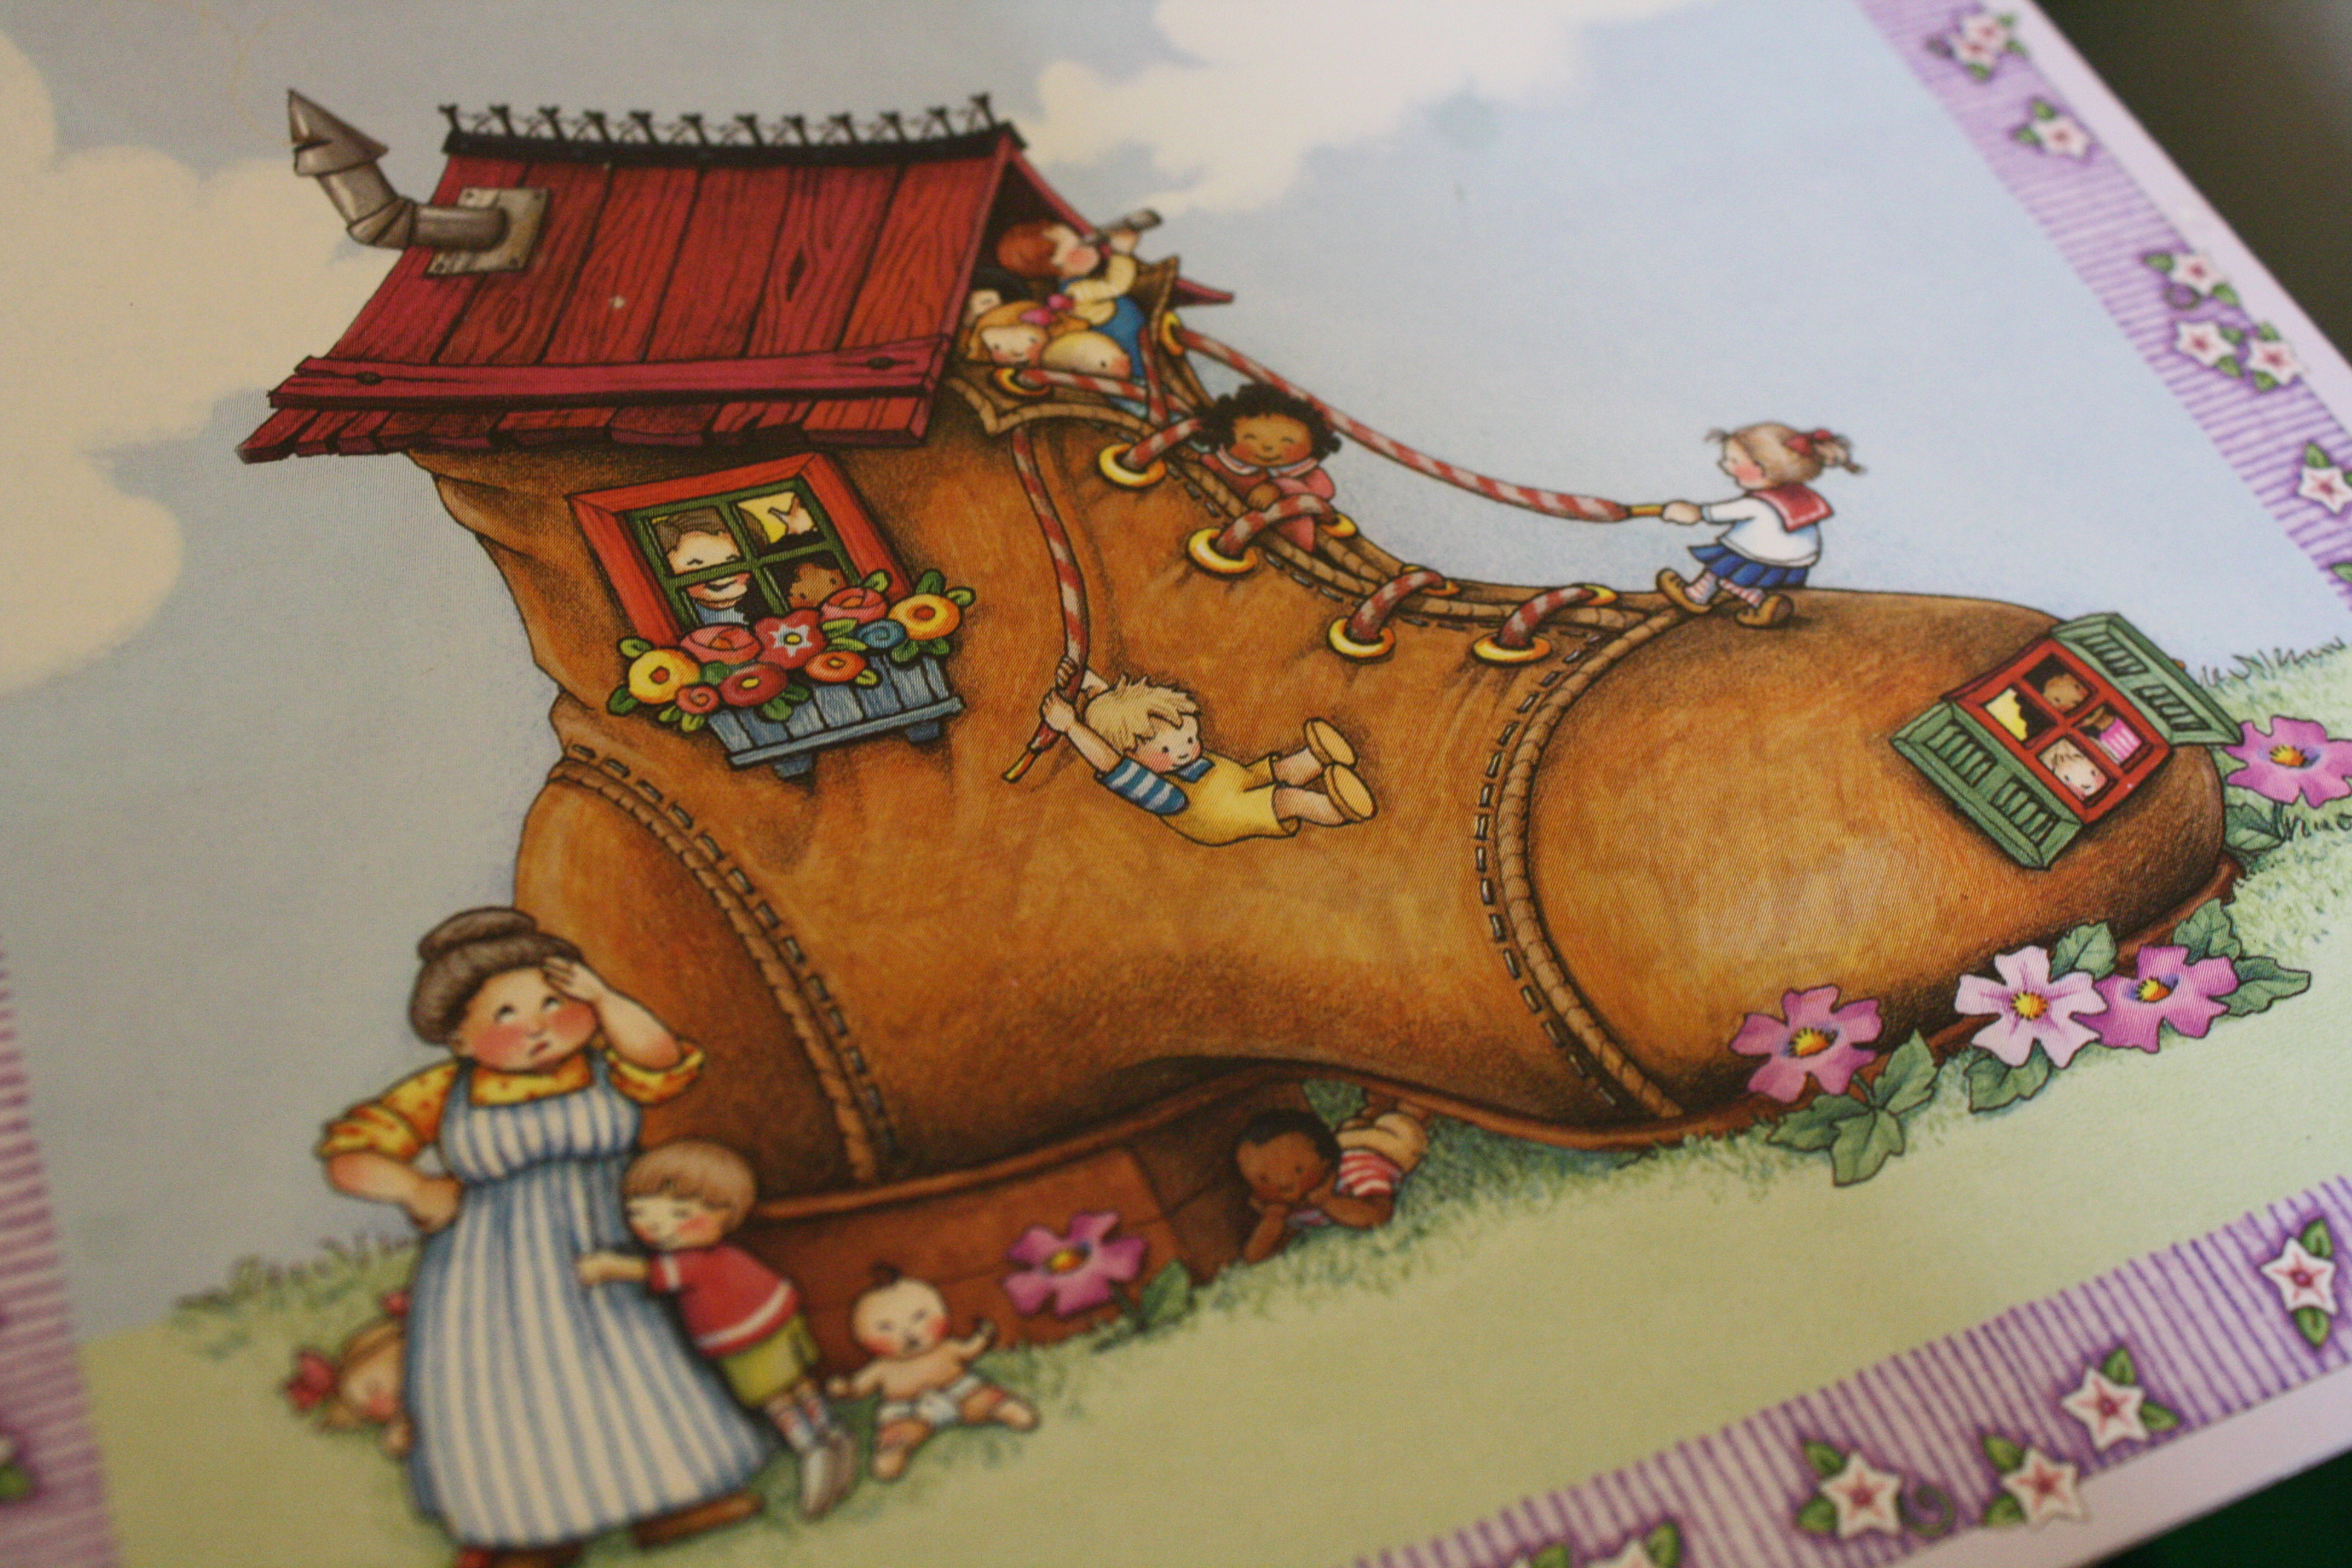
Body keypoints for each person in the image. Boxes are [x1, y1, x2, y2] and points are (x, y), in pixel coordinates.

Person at [317, 908, 768, 1568]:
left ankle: (677, 1499)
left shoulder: (604, 1063)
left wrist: (605, 999)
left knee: (639, 1365)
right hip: (490, 1268)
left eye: (554, 1003)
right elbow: (350, 1157)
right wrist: (414, 1189)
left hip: (604, 1241)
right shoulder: (444, 1091)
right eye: (506, 1014)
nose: (537, 1025)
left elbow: (663, 1058)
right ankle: (534, 1530)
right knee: (510, 1389)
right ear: (460, 1039)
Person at [576, 1140, 856, 1519]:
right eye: (638, 1213)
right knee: (797, 1383)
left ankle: (810, 1447)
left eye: (680, 1213)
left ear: (727, 1214)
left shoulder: (695, 1261)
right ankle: (831, 1432)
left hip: (748, 1336)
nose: (656, 1225)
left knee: (774, 1397)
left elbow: (651, 1273)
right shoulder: (721, 1255)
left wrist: (609, 1267)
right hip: (777, 1316)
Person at [1039, 662, 1373, 845]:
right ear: (1134, 758)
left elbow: (1117, 713)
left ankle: (1316, 758)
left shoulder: (1148, 738)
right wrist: (1071, 727)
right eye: (1167, 749)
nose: (1186, 748)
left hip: (1228, 781)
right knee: (1286, 800)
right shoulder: (1161, 794)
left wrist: (1087, 681)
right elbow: (1111, 761)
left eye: (1189, 735)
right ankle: (1336, 809)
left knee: (1275, 771)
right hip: (1219, 812)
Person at [825, 1269, 1036, 1481]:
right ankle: (894, 1450)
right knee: (901, 1431)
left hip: (959, 1391)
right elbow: (859, 1387)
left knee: (981, 1399)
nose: (908, 1334)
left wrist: (981, 1338)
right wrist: (845, 1389)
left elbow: (968, 1350)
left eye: (919, 1317)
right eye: (886, 1328)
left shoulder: (946, 1347)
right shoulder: (882, 1367)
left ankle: (1001, 1408)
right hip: (907, 1408)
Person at [1655, 422, 1863, 629]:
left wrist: (1694, 512)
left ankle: (1748, 601)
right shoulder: (1801, 495)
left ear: (1765, 468)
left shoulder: (1757, 504)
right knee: (1723, 567)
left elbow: (1711, 514)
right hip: (1797, 562)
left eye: (1734, 461)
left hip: (1759, 558)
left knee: (1721, 568)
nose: (1725, 466)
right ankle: (1703, 594)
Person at [1235, 1097, 1435, 1263]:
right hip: (1343, 1141)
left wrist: (1329, 1202)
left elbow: (1379, 1215)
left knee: (1405, 1126)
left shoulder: (1355, 1174)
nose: (1283, 1184)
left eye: (1298, 1171)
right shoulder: (1284, 1209)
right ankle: (1374, 1110)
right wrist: (1272, 1220)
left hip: (1382, 1149)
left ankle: (1409, 1107)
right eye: (1264, 1180)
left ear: (1325, 1165)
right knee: (1356, 1125)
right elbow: (1253, 1257)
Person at [1193, 385, 1342, 548]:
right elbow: (1205, 467)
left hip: (1286, 542)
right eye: (1251, 437)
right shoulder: (1224, 463)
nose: (1268, 447)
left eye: (1287, 441)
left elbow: (1325, 491)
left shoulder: (1305, 472)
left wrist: (1279, 488)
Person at [995, 218, 1148, 375]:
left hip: (1128, 331)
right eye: (1073, 254)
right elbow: (1117, 285)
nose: (1086, 252)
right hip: (1123, 335)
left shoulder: (1071, 287)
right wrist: (1121, 252)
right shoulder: (1076, 292)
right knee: (1140, 366)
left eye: (1083, 242)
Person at [283, 1291, 412, 1457]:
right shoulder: (353, 1393)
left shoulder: (352, 1355)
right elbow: (387, 1409)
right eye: (311, 1377)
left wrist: (401, 1315)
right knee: (393, 1442)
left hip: (414, 1346)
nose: (316, 1369)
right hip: (415, 1381)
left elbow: (387, 1334)